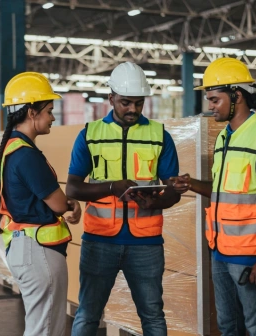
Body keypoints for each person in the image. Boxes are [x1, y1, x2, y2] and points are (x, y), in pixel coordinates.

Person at [171, 57, 256, 336]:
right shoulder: (225, 137)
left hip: (251, 256)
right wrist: (191, 184)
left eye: (214, 99)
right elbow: (223, 190)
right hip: (221, 252)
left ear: (236, 95)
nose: (209, 106)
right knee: (228, 326)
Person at [67, 62, 181, 336]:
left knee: (153, 316)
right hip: (99, 241)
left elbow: (173, 189)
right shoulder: (90, 135)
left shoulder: (159, 135)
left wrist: (157, 201)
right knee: (88, 315)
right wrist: (111, 187)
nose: (132, 109)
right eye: (125, 102)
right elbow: (73, 189)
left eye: (138, 103)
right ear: (111, 98)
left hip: (146, 243)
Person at [0, 72, 82, 336]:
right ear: (31, 112)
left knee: (41, 327)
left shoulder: (13, 148)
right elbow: (58, 203)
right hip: (38, 252)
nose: (53, 117)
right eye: (49, 110)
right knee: (46, 330)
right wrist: (71, 205)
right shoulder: (26, 156)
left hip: (26, 248)